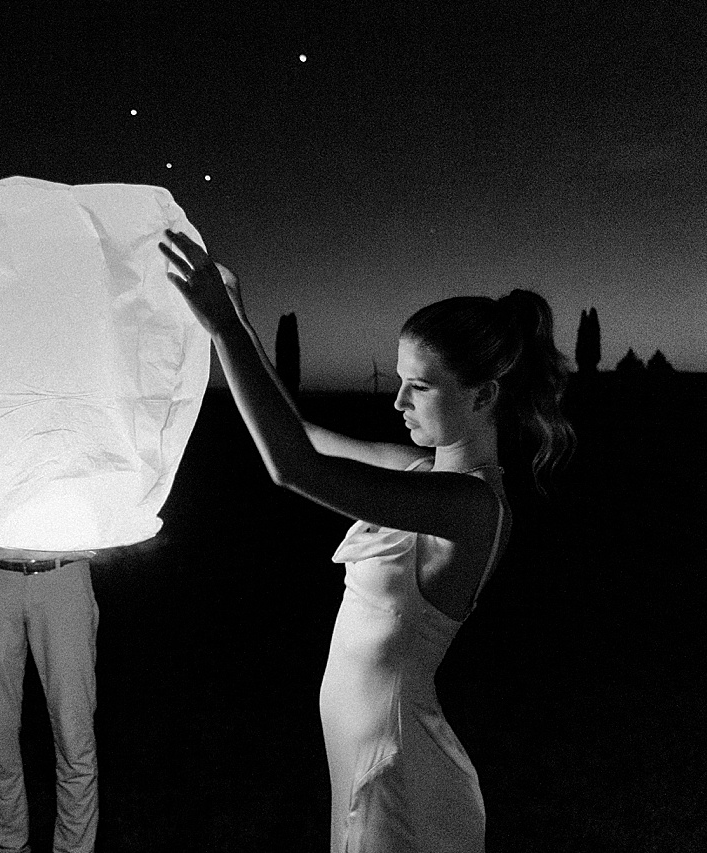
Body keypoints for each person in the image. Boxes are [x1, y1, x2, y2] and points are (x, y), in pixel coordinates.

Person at [160, 231, 573, 853]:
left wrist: (224, 330)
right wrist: (240, 321)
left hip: (401, 771)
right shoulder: (417, 472)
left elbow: (294, 466)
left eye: (421, 385)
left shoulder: (471, 507)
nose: (398, 399)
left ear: (483, 395)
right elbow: (298, 430)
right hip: (364, 756)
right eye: (401, 379)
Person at [0, 442, 100, 853]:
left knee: (75, 733)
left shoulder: (72, 409)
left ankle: (74, 849)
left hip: (64, 576)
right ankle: (7, 845)